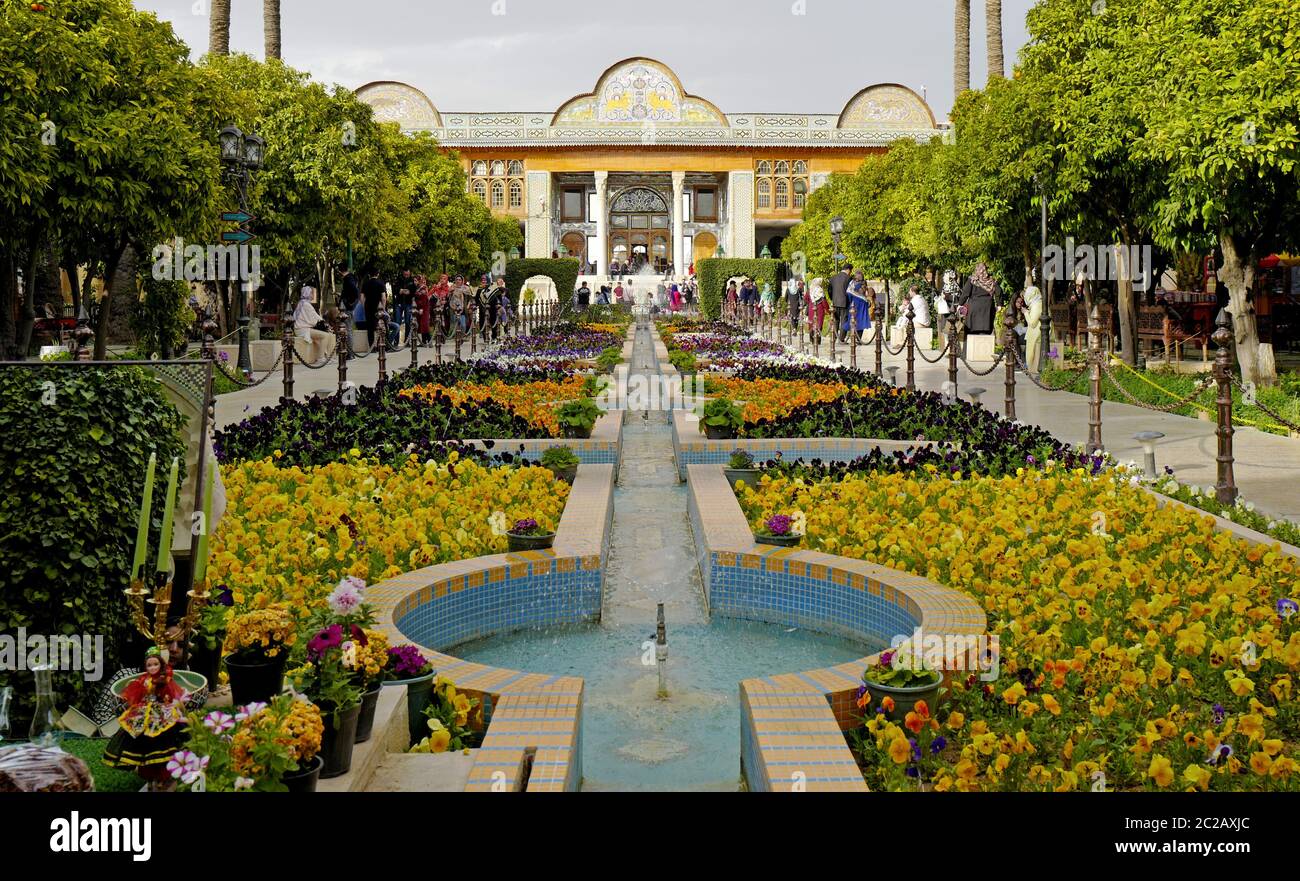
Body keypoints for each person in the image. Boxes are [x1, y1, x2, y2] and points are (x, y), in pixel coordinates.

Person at [101, 647, 190, 789]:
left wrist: (164, 693)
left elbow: (171, 694)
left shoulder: (165, 678)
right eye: (149, 665)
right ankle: (150, 776)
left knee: (163, 741)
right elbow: (135, 694)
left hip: (160, 712)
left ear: (161, 664)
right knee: (141, 741)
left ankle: (164, 776)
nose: (153, 667)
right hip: (144, 712)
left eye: (155, 664)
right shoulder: (143, 679)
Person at [293, 285, 336, 362]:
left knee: (330, 335)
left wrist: (326, 326)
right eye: (312, 293)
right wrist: (326, 326)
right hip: (303, 330)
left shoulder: (303, 303)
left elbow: (316, 317)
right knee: (325, 335)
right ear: (308, 293)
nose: (313, 295)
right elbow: (314, 320)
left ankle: (329, 357)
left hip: (303, 328)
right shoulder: (306, 304)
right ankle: (320, 358)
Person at [959, 262, 998, 335]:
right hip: (987, 308)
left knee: (972, 331)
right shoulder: (992, 280)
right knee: (985, 331)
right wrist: (999, 304)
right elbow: (999, 292)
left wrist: (960, 304)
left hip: (974, 307)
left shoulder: (972, 280)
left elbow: (965, 293)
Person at [1022, 274, 1044, 372]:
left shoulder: (1037, 305)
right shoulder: (1037, 303)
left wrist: (1026, 313)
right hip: (1037, 331)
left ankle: (1031, 367)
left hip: (1037, 333)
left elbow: (1032, 323)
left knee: (1031, 349)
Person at [842, 274, 872, 344]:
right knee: (860, 321)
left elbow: (849, 294)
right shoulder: (863, 283)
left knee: (853, 321)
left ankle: (854, 338)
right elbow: (866, 294)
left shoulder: (852, 283)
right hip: (861, 304)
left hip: (854, 305)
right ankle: (858, 339)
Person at [362, 268, 385, 349]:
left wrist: (363, 306)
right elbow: (383, 297)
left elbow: (362, 297)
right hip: (378, 307)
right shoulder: (380, 283)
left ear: (369, 275)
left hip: (368, 306)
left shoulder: (365, 283)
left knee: (370, 328)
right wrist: (383, 307)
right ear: (377, 274)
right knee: (379, 326)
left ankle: (371, 346)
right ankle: (379, 344)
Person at [830, 263, 853, 342]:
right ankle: (841, 338)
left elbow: (829, 290)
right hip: (845, 302)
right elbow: (850, 291)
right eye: (850, 271)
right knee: (844, 320)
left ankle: (834, 337)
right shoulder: (848, 278)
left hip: (835, 302)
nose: (850, 273)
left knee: (835, 320)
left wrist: (832, 298)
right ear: (848, 270)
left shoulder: (833, 278)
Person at [805, 277, 829, 344]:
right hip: (819, 310)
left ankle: (812, 339)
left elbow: (806, 298)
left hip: (811, 309)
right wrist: (828, 310)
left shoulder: (810, 289)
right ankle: (817, 341)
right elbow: (824, 302)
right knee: (818, 325)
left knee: (811, 324)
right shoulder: (820, 290)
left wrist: (810, 302)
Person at [415, 276, 433, 346]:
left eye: (416, 280)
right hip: (419, 308)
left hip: (424, 308)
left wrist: (422, 308)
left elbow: (424, 298)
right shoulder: (418, 288)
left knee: (424, 324)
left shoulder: (423, 288)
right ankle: (423, 341)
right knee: (421, 325)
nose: (415, 282)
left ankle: (429, 340)